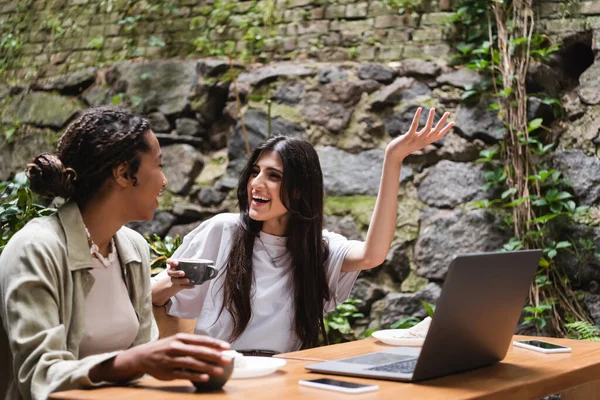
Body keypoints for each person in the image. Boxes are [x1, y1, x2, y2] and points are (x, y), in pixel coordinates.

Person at [152, 107, 454, 353]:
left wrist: (393, 158)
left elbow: (372, 255)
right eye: (255, 172)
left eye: (274, 176)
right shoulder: (224, 229)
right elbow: (151, 295)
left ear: (298, 191)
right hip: (224, 373)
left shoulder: (317, 249)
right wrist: (174, 283)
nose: (257, 182)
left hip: (288, 374)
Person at [0, 107, 231, 400]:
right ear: (123, 174)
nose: (165, 181)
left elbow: (145, 364)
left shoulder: (131, 248)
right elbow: (38, 375)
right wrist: (136, 361)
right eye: (158, 166)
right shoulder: (35, 249)